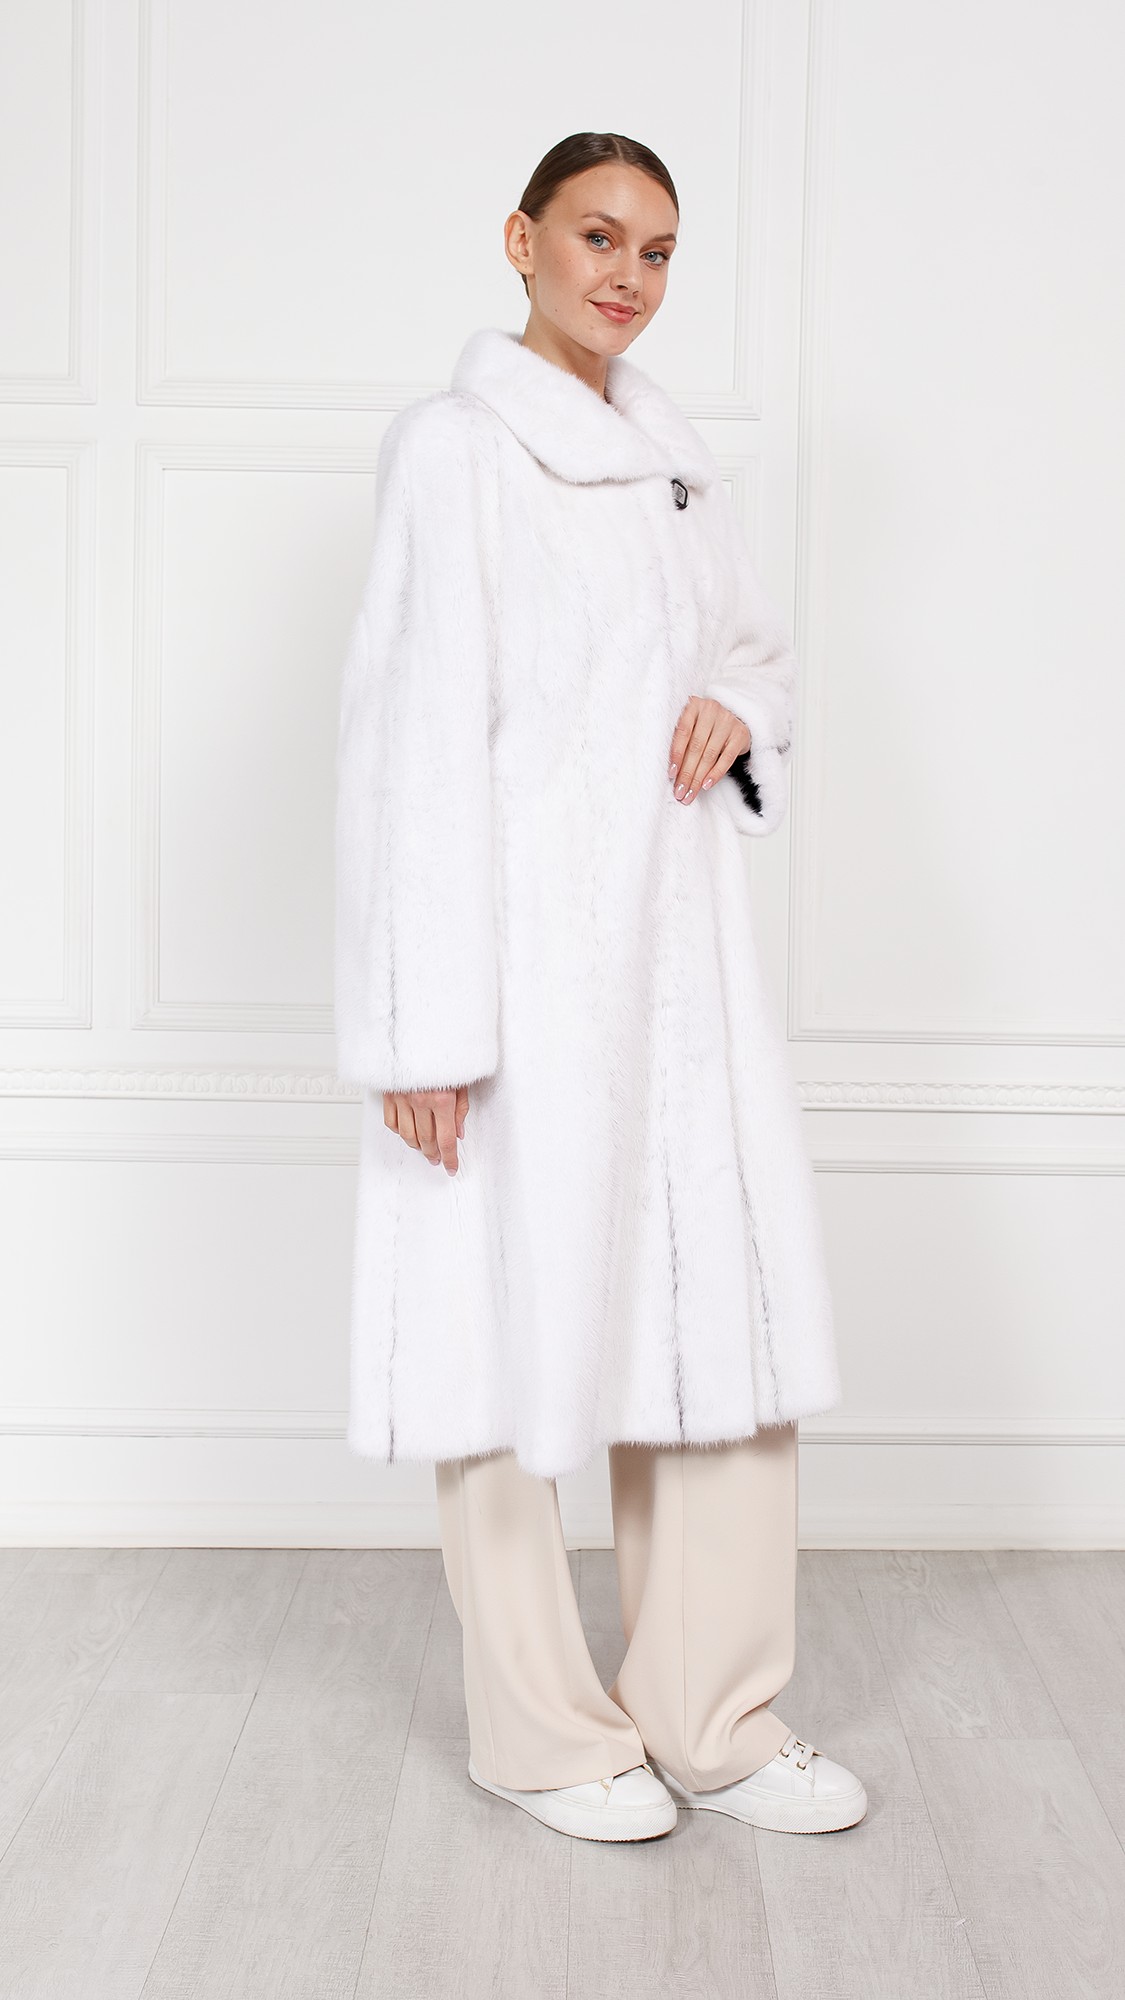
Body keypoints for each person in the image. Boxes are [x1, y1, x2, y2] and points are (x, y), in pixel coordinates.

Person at [334, 131, 867, 1842]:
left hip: (681, 979)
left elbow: (753, 654)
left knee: (715, 1329)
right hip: (516, 979)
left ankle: (712, 1717)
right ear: (520, 240)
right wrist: (422, 1031)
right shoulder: (457, 452)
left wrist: (737, 708)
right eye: (596, 237)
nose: (627, 277)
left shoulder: (673, 466)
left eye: (656, 251)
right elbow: (409, 745)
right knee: (499, 1336)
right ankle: (544, 1735)